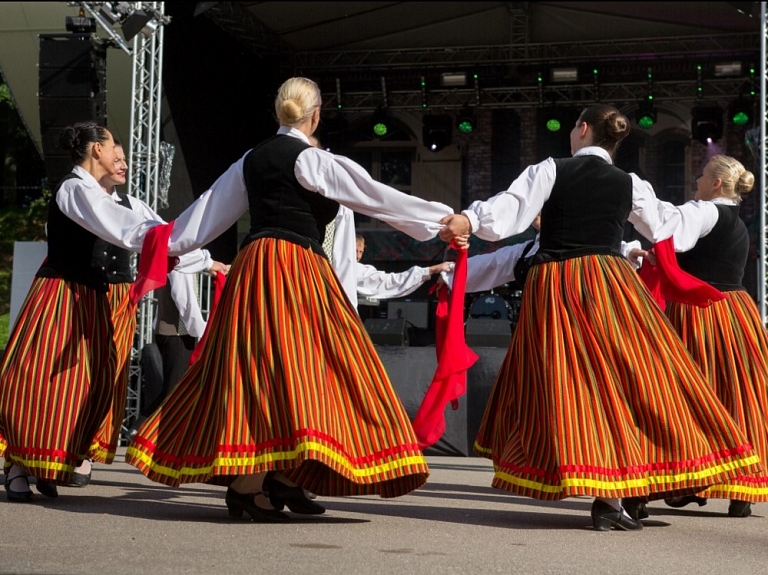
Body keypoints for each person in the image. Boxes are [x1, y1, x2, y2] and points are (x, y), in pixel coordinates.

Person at [125, 77, 462, 522]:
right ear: (316, 114)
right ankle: (255, 484)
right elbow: (378, 198)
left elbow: (198, 222)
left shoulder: (249, 160)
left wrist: (151, 239)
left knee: (264, 372)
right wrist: (442, 219)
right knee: (320, 366)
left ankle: (276, 479)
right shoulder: (314, 160)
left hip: (255, 267)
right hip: (297, 267)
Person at [438, 104, 759, 531]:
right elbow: (667, 228)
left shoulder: (551, 170)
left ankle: (612, 493)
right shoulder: (631, 183)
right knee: (631, 379)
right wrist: (632, 249)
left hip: (560, 283)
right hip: (610, 285)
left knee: (575, 385)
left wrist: (469, 218)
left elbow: (508, 213)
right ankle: (624, 491)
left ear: (583, 129)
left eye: (574, 125)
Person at [0, 123, 151, 501]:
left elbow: (134, 223)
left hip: (90, 297)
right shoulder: (75, 188)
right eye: (113, 144)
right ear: (96, 149)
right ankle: (18, 464)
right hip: (62, 294)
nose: (118, 152)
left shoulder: (100, 195)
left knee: (89, 384)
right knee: (43, 379)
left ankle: (47, 460)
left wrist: (188, 249)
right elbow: (119, 226)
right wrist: (164, 239)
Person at [68, 144, 227, 489]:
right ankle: (58, 446)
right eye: (118, 157)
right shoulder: (76, 193)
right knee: (76, 371)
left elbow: (166, 241)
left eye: (126, 159)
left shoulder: (133, 205)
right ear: (96, 155)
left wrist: (207, 262)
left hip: (121, 297)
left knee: (110, 375)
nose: (124, 164)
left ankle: (85, 449)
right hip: (81, 293)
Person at [629, 154, 768, 518]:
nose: (696, 181)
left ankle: (673, 478)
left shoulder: (704, 211)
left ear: (717, 184)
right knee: (737, 393)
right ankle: (742, 489)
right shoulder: (737, 222)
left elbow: (669, 232)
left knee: (678, 392)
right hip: (737, 310)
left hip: (699, 310)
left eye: (703, 176)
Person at [355, 233, 452, 299]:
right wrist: (432, 269)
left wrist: (431, 270)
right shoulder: (351, 270)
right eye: (355, 251)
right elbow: (388, 281)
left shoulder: (356, 268)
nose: (358, 256)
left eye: (361, 252)